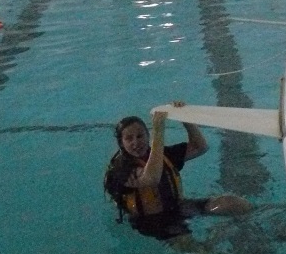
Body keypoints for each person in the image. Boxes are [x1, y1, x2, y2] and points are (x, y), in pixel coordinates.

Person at [104, 103, 251, 241]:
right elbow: (151, 178)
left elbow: (200, 147)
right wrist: (159, 131)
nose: (136, 142)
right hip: (154, 221)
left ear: (147, 136)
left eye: (140, 136)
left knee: (234, 203)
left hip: (179, 207)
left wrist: (185, 118)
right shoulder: (120, 170)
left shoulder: (163, 155)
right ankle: (214, 237)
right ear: (121, 143)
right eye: (129, 139)